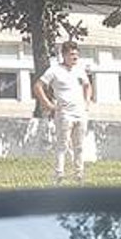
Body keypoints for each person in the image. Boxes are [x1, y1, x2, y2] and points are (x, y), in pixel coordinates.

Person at [33, 41, 92, 183]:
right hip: (64, 113)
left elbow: (87, 85)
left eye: (76, 54)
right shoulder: (54, 70)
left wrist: (87, 102)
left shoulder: (79, 70)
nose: (75, 57)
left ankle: (79, 174)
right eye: (71, 54)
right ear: (64, 55)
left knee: (79, 146)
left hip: (80, 112)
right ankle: (59, 174)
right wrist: (48, 104)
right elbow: (38, 86)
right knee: (62, 145)